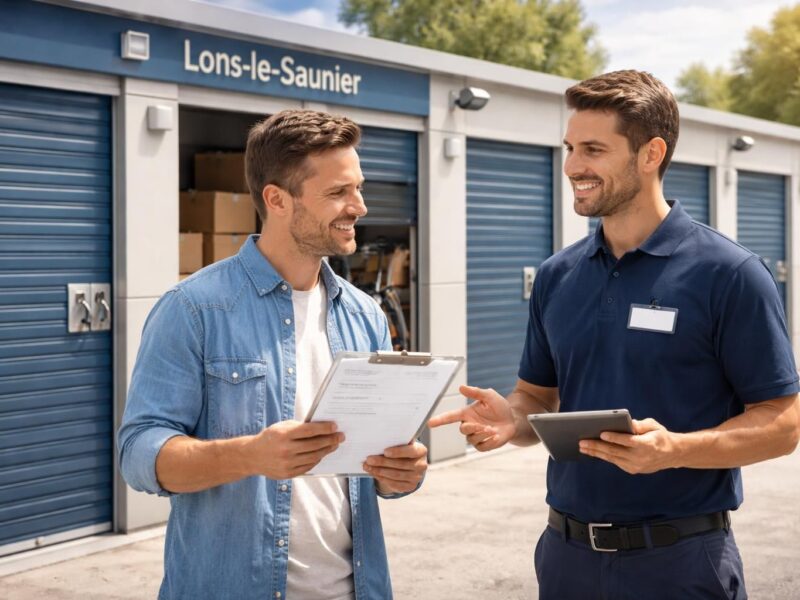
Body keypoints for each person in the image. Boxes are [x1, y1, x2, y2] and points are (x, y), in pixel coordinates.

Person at [429, 70, 800, 600]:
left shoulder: (730, 274)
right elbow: (536, 397)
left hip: (680, 563)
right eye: (570, 148)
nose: (572, 166)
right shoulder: (557, 276)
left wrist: (673, 450)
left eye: (593, 150)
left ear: (651, 154)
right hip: (566, 558)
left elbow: (783, 424)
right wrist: (512, 419)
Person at [118, 109, 428, 600]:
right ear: (277, 199)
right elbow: (138, 454)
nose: (359, 207)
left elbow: (378, 472)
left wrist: (400, 473)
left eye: (358, 188)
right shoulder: (194, 309)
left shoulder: (365, 315)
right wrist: (249, 456)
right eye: (338, 192)